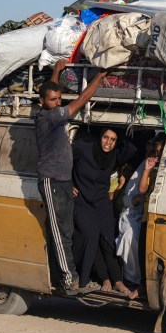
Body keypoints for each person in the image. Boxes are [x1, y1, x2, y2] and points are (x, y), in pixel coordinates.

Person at [36, 58, 108, 296]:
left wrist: (56, 71)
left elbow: (52, 90)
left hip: (64, 182)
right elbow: (82, 100)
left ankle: (70, 276)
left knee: (66, 231)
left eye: (59, 99)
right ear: (42, 102)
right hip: (51, 180)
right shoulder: (49, 117)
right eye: (53, 100)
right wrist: (98, 77)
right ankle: (69, 280)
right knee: (59, 232)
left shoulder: (51, 109)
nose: (57, 103)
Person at [71, 127, 137, 298]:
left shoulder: (114, 156)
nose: (108, 142)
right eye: (105, 137)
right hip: (82, 200)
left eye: (113, 139)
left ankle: (117, 280)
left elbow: (132, 147)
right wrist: (68, 184)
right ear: (99, 137)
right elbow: (63, 160)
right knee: (92, 235)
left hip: (101, 202)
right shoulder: (83, 147)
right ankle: (95, 279)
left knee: (108, 239)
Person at [116, 135, 165, 290]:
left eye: (157, 151)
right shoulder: (146, 165)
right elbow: (139, 190)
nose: (154, 154)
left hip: (153, 212)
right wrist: (146, 170)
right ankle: (132, 279)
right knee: (130, 234)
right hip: (136, 212)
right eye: (152, 151)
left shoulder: (165, 166)